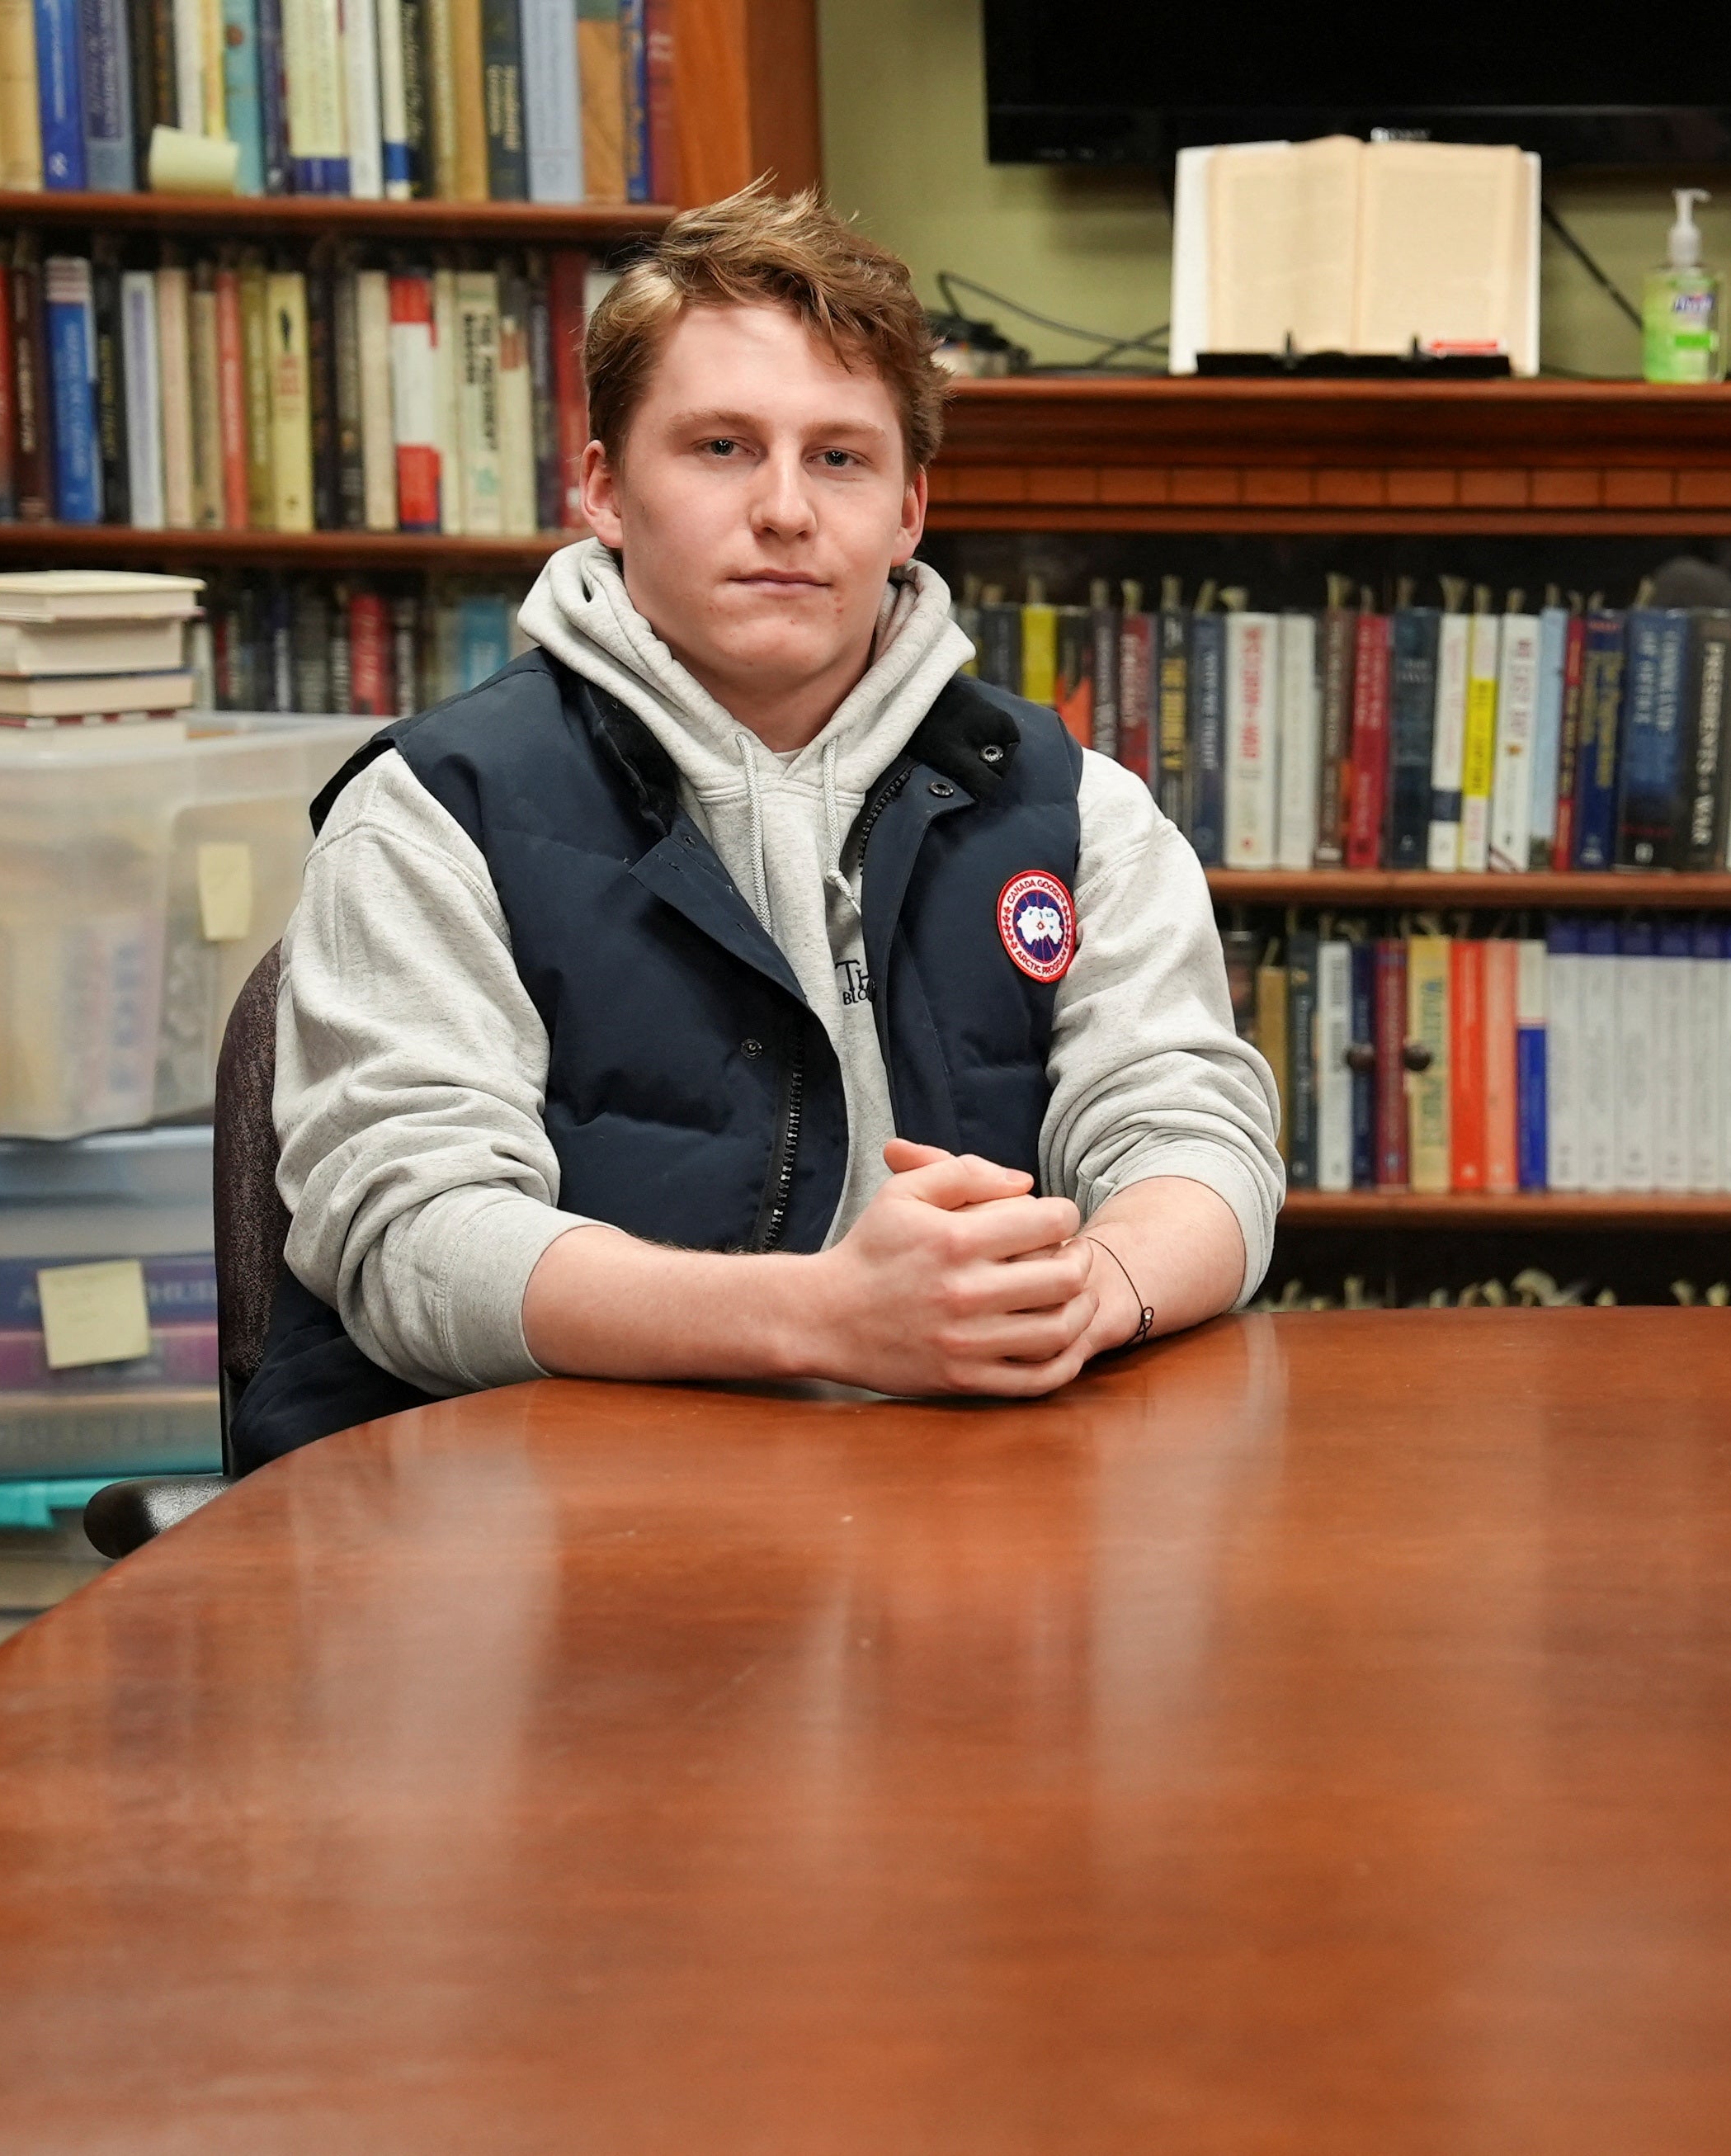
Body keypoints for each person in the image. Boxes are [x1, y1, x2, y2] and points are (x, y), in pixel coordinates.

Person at [238, 183, 1281, 1465]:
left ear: (907, 511)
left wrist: (1091, 1288)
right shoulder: (433, 811)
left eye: (840, 457)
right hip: (545, 1537)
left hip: (966, 1514)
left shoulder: (1076, 811)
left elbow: (1194, 1133)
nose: (786, 507)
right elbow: (411, 1241)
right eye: (722, 447)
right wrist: (826, 1319)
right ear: (607, 491)